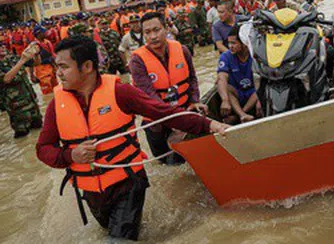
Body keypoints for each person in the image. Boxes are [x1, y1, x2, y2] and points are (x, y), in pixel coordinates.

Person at [35, 36, 229, 241]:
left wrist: (209, 125)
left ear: (87, 66)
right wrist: (70, 154)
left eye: (64, 67)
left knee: (119, 239)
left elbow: (164, 112)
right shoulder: (56, 105)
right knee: (113, 232)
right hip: (91, 191)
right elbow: (43, 149)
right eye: (57, 67)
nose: (58, 73)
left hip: (127, 184)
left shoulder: (121, 93)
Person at [130, 12, 208, 165]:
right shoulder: (137, 61)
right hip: (157, 122)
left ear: (166, 29)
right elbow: (150, 96)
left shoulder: (182, 50)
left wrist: (194, 100)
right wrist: (176, 122)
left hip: (183, 111)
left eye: (156, 30)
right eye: (147, 32)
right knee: (166, 164)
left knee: (195, 158)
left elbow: (192, 79)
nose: (153, 36)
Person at [217, 26, 261, 124]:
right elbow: (222, 78)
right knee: (225, 87)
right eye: (229, 43)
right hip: (237, 94)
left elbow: (264, 78)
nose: (230, 46)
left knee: (262, 85)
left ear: (244, 44)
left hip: (253, 93)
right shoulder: (226, 56)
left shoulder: (255, 54)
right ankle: (242, 115)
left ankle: (241, 115)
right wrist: (224, 100)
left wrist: (260, 101)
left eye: (234, 43)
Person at [0, 42, 42, 138]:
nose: (2, 47)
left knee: (39, 131)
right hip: (17, 108)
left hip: (31, 102)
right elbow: (6, 79)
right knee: (22, 137)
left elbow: (36, 63)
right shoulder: (17, 61)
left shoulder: (13, 58)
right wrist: (22, 61)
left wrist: (36, 54)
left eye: (2, 45)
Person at [32, 25, 58, 95]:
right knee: (47, 93)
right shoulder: (34, 46)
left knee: (56, 89)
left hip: (51, 67)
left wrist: (56, 67)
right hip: (42, 70)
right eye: (43, 32)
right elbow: (30, 62)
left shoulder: (47, 42)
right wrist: (32, 75)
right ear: (38, 34)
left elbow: (53, 55)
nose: (45, 33)